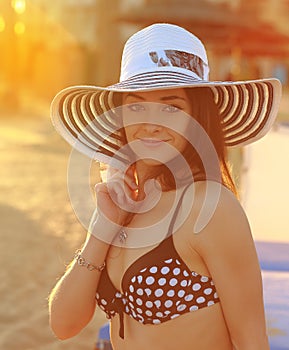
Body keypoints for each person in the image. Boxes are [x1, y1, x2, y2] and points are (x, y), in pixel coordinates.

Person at [49, 23, 282, 350]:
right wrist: (103, 228)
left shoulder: (210, 207)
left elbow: (251, 340)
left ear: (197, 118)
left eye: (171, 106)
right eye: (136, 105)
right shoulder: (127, 203)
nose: (150, 123)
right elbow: (63, 324)